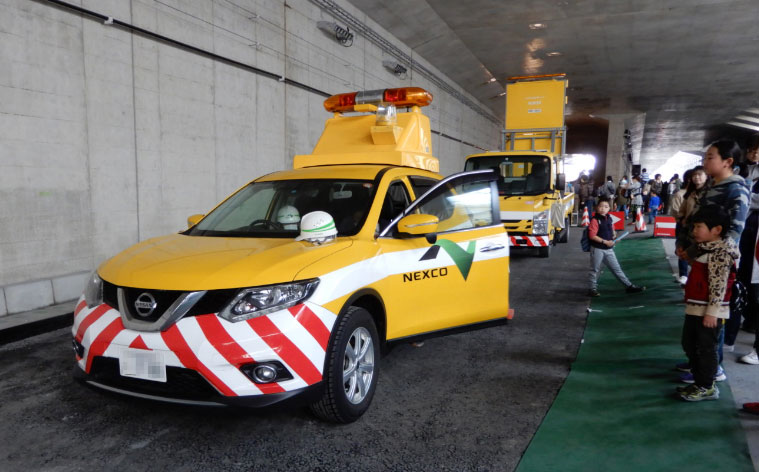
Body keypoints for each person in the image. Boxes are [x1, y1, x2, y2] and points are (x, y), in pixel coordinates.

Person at [676, 206, 739, 401]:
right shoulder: (705, 247)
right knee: (689, 343)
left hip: (710, 311)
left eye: (699, 227)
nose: (694, 231)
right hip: (696, 306)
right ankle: (699, 380)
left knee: (706, 348)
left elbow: (719, 284)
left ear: (716, 230)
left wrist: (713, 312)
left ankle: (706, 385)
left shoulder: (721, 252)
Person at [587, 196, 645, 297]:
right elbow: (592, 236)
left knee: (616, 268)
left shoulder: (609, 218)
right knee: (595, 269)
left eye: (605, 206)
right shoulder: (595, 220)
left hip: (609, 249)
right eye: (601, 206)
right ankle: (592, 289)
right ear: (597, 207)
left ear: (609, 208)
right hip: (597, 249)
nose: (603, 208)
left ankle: (629, 286)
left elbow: (612, 230)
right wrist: (605, 241)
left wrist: (614, 237)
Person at [736, 133, 759, 364]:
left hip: (755, 232)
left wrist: (742, 195)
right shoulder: (742, 170)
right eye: (751, 149)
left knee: (756, 283)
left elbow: (741, 197)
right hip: (746, 231)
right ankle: (750, 320)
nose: (754, 153)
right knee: (745, 278)